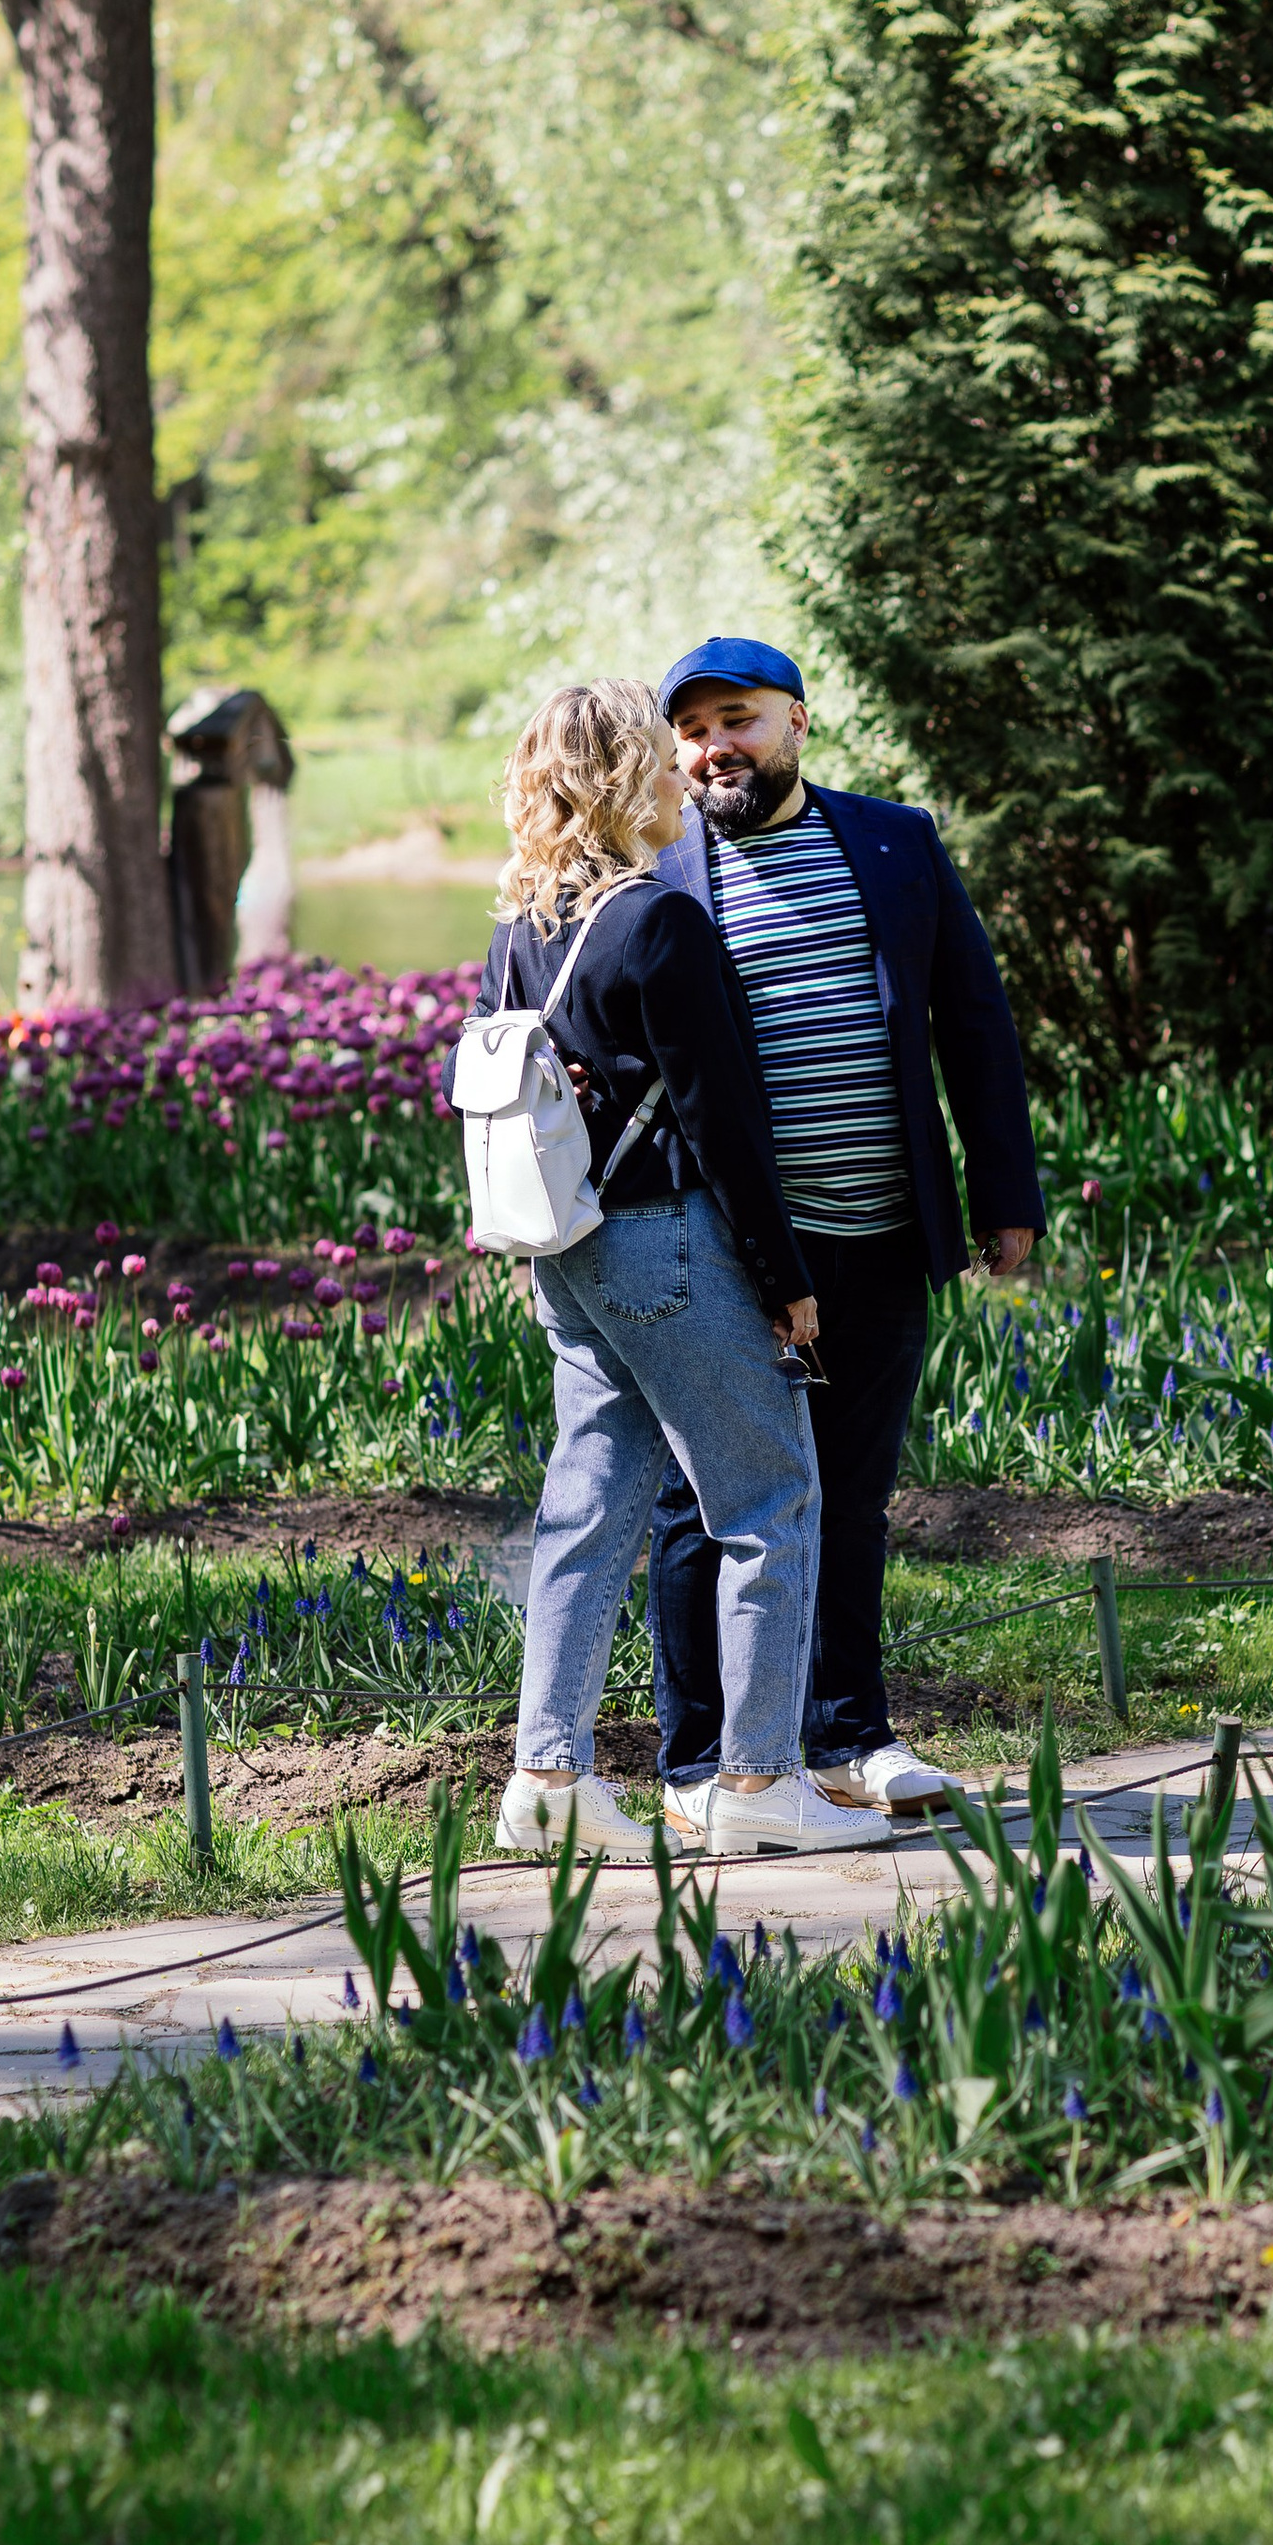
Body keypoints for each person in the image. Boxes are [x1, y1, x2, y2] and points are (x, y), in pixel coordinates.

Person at [475, 676, 892, 1860]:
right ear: (623, 778)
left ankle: (546, 1780)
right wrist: (787, 1278)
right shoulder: (658, 921)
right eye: (659, 758)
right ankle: (759, 1781)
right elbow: (724, 1123)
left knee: (587, 1510)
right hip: (668, 1243)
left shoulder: (522, 924)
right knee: (769, 1499)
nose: (680, 773)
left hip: (568, 1251)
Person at [645, 635, 1045, 1830]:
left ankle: (847, 1737)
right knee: (703, 1501)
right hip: (723, 1240)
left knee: (852, 1494)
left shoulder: (895, 841)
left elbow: (974, 1021)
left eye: (741, 718)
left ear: (797, 722)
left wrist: (1004, 1193)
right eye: (698, 726)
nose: (719, 744)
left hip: (877, 1227)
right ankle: (698, 1761)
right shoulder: (657, 862)